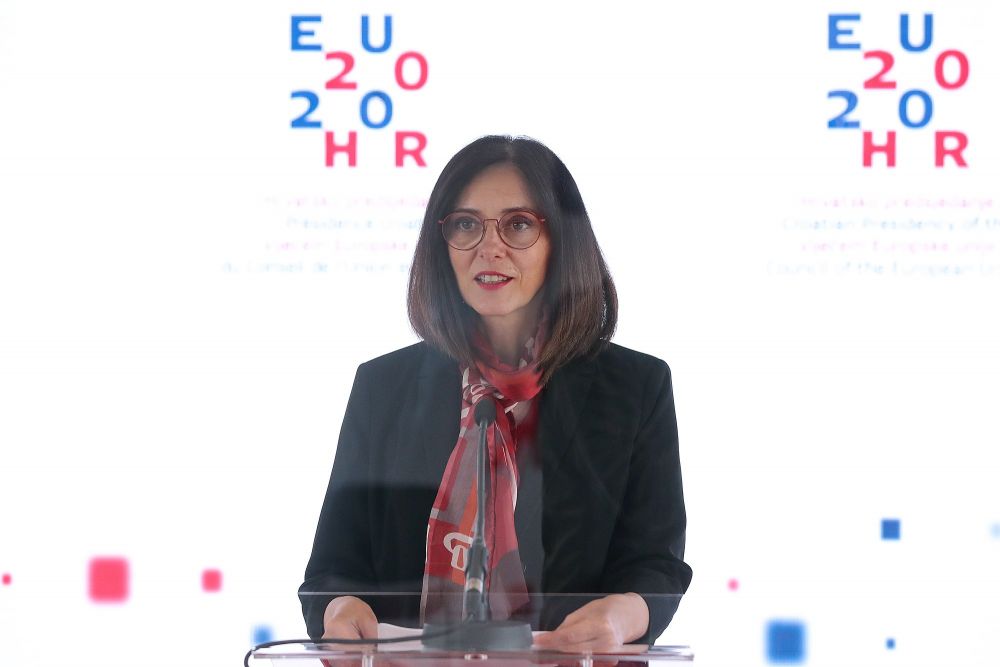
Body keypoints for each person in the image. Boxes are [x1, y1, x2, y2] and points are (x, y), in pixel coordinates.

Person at [299, 135, 692, 652]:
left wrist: (623, 616)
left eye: (519, 224)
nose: (489, 247)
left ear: (561, 242)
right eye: (466, 225)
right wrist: (339, 608)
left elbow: (656, 565)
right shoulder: (384, 386)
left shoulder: (635, 387)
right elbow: (331, 572)